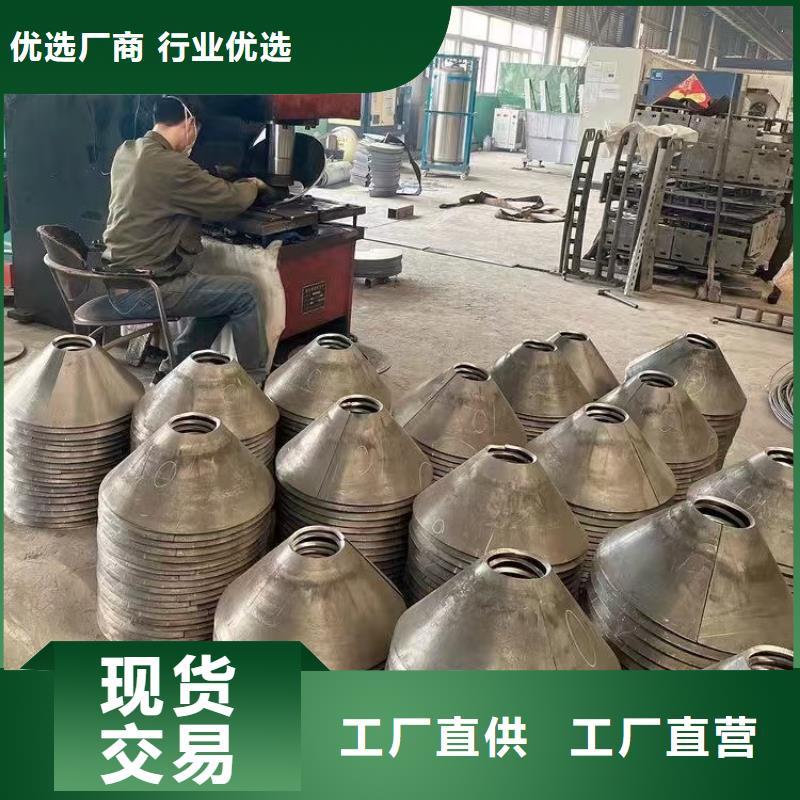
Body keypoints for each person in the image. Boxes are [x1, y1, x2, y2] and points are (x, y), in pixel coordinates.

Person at [102, 95, 269, 384]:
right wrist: (253, 185)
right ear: (189, 123)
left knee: (222, 296)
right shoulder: (170, 164)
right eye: (197, 130)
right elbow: (228, 200)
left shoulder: (127, 151)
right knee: (246, 293)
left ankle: (173, 368)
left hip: (118, 279)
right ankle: (254, 383)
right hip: (147, 288)